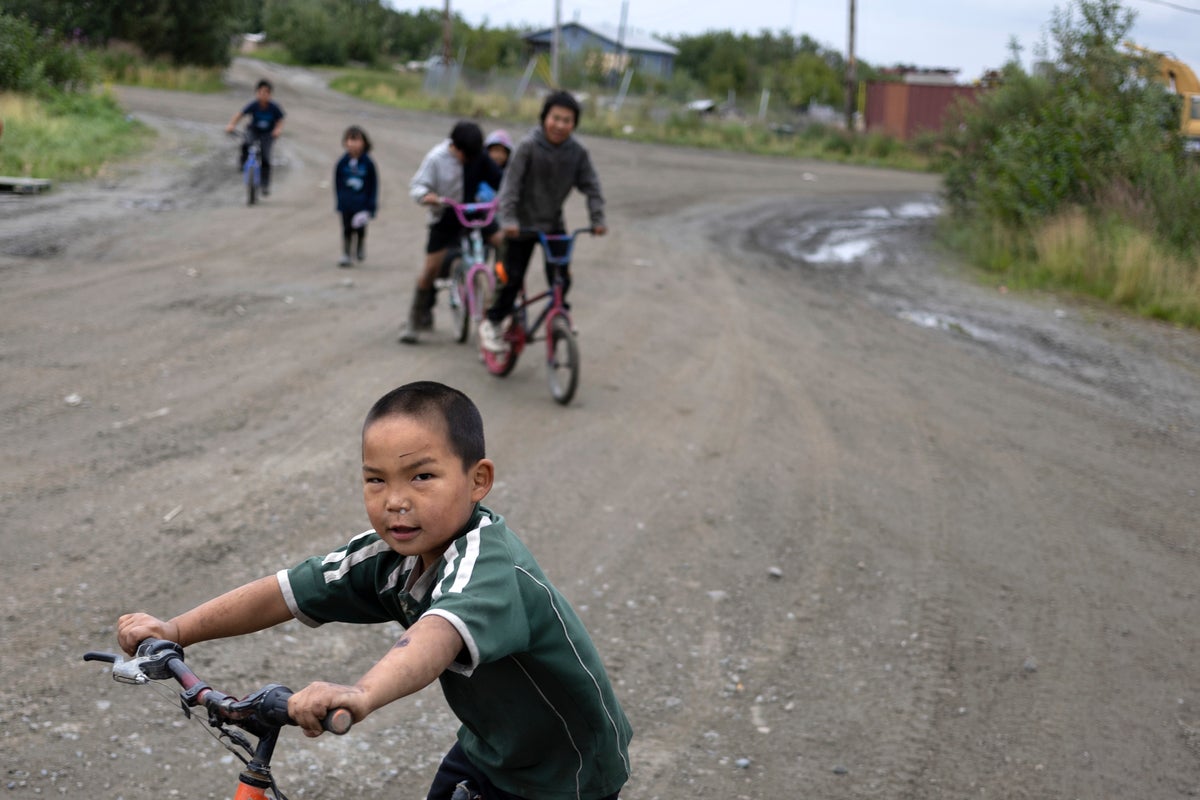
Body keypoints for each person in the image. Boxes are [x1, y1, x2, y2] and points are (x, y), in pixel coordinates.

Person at [116, 381, 632, 800]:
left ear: (478, 481)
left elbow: (437, 636)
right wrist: (175, 629)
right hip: (488, 748)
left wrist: (361, 694)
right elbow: (286, 591)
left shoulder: (489, 563)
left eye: (422, 476)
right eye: (376, 481)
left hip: (566, 772)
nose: (396, 502)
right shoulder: (388, 556)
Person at [479, 92, 606, 353]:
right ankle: (492, 322)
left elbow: (592, 186)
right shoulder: (528, 147)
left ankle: (560, 315)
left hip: (552, 225)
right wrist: (510, 219)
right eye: (555, 118)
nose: (560, 125)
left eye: (567, 120)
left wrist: (597, 218)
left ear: (574, 124)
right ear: (544, 118)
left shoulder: (577, 153)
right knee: (511, 278)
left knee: (561, 277)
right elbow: (510, 187)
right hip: (520, 226)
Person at [400, 122, 504, 344]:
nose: (469, 161)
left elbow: (501, 181)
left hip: (473, 211)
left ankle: (504, 291)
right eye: (465, 156)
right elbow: (417, 185)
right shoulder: (436, 158)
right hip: (447, 216)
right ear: (455, 147)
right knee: (431, 269)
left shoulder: (478, 156)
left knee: (503, 242)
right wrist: (425, 196)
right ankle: (414, 320)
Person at [225, 79, 285, 196]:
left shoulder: (274, 107)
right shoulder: (254, 104)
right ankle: (243, 163)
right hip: (254, 130)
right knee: (246, 143)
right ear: (257, 93)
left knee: (266, 158)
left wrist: (277, 130)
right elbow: (240, 114)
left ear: (270, 94)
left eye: (266, 93)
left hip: (267, 133)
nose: (263, 95)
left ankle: (265, 185)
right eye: (261, 92)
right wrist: (231, 125)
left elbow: (280, 120)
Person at [333, 125, 379, 267]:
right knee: (347, 228)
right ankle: (346, 253)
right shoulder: (342, 163)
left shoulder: (368, 164)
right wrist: (340, 202)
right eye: (350, 140)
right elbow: (337, 183)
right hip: (347, 203)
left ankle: (359, 247)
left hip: (362, 203)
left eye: (356, 140)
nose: (353, 144)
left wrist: (371, 207)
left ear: (364, 142)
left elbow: (374, 185)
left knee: (360, 228)